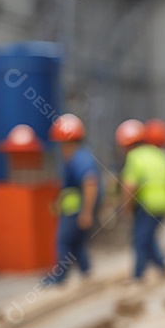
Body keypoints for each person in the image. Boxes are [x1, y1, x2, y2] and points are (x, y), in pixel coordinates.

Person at [116, 119, 165, 281]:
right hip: (164, 205)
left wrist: (126, 207)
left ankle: (138, 276)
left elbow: (129, 186)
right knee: (148, 237)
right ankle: (162, 264)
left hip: (147, 206)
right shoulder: (163, 155)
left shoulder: (135, 157)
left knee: (140, 240)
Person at [46, 113, 99, 285]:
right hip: (73, 209)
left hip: (76, 211)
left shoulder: (79, 158)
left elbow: (90, 182)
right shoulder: (78, 157)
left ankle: (60, 277)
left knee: (63, 242)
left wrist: (86, 212)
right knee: (76, 243)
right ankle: (87, 272)